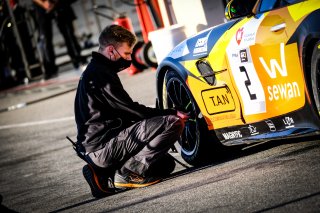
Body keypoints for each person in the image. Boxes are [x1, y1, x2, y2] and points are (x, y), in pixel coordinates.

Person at [74, 25, 189, 198]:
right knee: (172, 123)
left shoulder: (96, 70)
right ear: (111, 50)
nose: (129, 58)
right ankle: (127, 173)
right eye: (127, 54)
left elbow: (124, 113)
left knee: (164, 165)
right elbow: (131, 111)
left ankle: (103, 173)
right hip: (102, 148)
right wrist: (170, 113)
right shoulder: (100, 74)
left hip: (99, 148)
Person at [33, 0, 85, 79]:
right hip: (41, 5)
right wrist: (43, 3)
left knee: (68, 32)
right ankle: (50, 68)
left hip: (57, 3)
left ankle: (77, 59)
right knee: (45, 38)